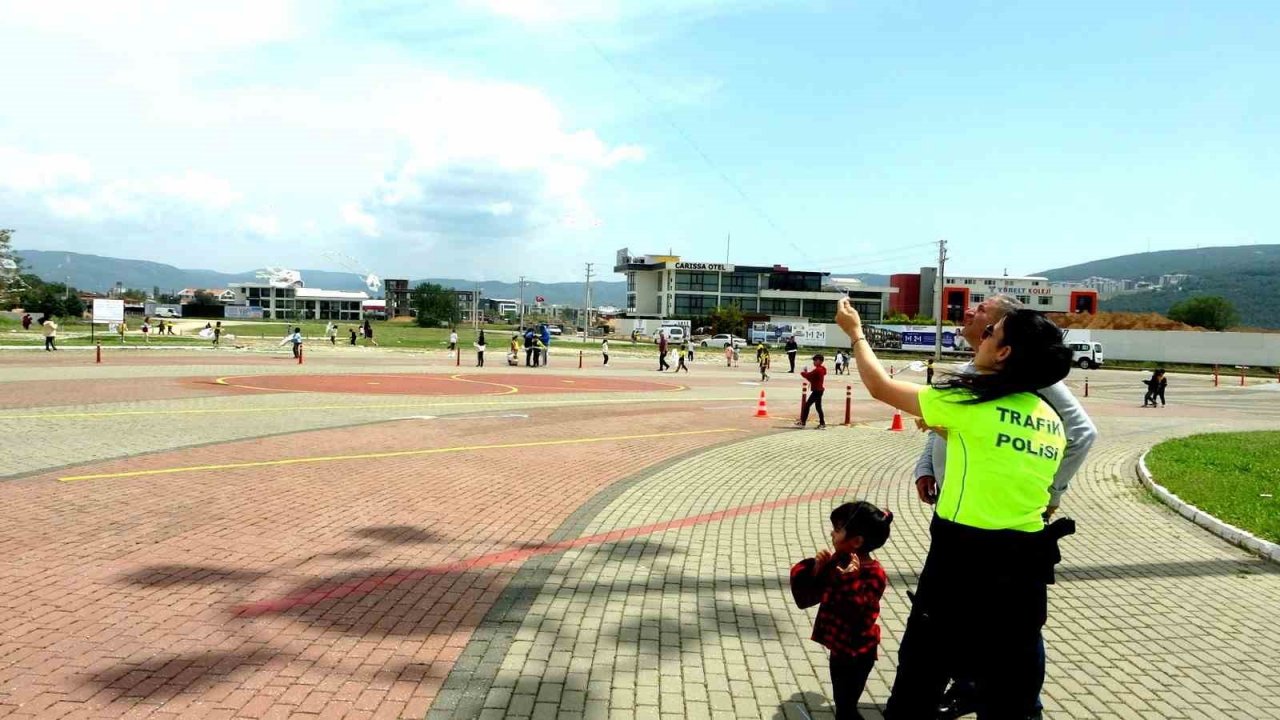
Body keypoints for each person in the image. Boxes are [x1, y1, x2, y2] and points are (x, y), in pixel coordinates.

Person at [837, 295, 1078, 719]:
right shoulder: (1048, 418)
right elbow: (1003, 464)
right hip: (1024, 576)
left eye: (989, 333)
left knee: (917, 689)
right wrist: (953, 435)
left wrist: (855, 332)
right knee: (1011, 699)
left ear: (1002, 353)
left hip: (961, 569)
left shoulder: (969, 401)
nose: (981, 338)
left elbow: (879, 387)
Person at [912, 295, 1097, 718]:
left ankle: (1016, 701)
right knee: (963, 616)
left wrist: (1052, 494)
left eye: (983, 313)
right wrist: (926, 466)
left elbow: (1083, 433)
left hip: (1003, 526)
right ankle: (968, 684)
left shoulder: (1030, 374)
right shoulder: (969, 370)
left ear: (1004, 332)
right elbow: (944, 426)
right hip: (957, 512)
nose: (972, 314)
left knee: (1010, 627)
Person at [789, 501, 893, 720]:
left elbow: (862, 613)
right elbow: (809, 595)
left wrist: (849, 579)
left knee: (847, 704)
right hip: (839, 647)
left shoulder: (874, 573)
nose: (831, 533)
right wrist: (816, 569)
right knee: (841, 699)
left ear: (856, 541)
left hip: (858, 652)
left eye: (837, 530)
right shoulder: (839, 561)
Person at [796, 354, 828, 429]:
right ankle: (822, 423)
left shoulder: (818, 370)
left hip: (817, 391)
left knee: (807, 406)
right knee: (818, 407)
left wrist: (803, 373)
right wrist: (806, 373)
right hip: (819, 390)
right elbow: (811, 378)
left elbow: (809, 376)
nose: (813, 362)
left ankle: (803, 422)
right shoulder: (821, 369)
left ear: (820, 361)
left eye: (815, 360)